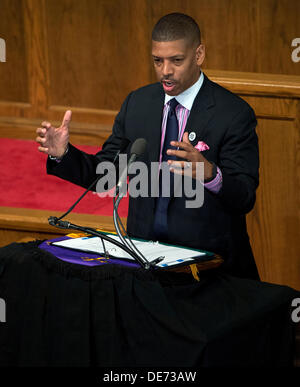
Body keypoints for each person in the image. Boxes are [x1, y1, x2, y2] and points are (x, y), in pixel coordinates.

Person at [36, 13, 260, 280]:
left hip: (209, 268)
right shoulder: (137, 104)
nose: (165, 70)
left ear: (198, 54)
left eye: (176, 60)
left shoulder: (233, 114)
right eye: (158, 60)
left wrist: (211, 175)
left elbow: (245, 196)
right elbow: (105, 177)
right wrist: (64, 155)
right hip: (144, 264)